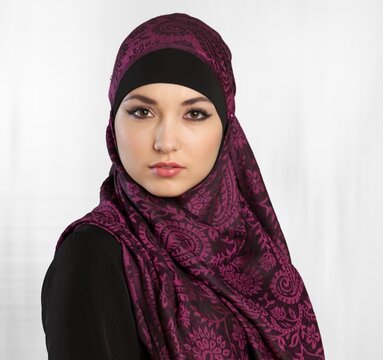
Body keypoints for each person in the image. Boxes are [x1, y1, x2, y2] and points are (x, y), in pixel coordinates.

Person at [41, 12, 325, 359]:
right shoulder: (94, 255)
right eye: (142, 112)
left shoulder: (253, 245)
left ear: (226, 129)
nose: (165, 141)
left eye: (194, 114)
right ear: (113, 122)